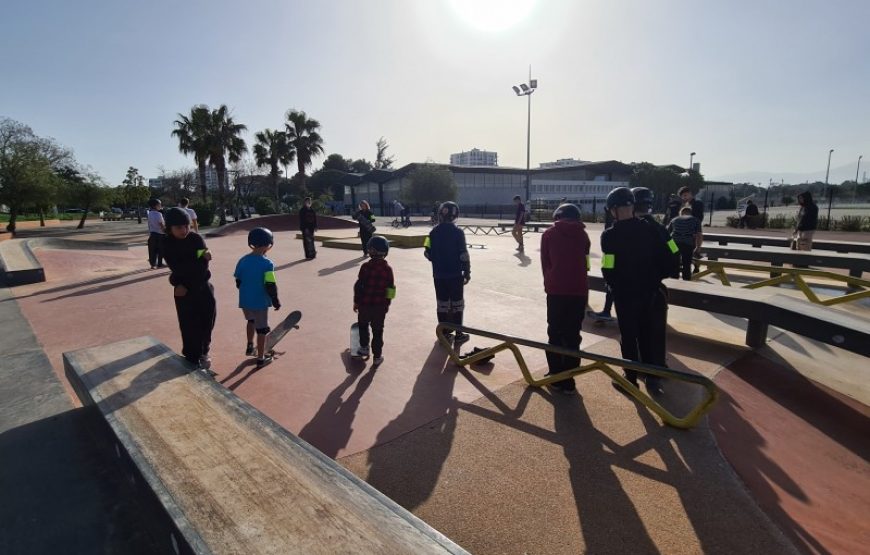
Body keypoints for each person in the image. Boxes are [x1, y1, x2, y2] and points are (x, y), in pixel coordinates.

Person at [601, 187, 674, 395]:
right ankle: (652, 379)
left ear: (614, 210)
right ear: (632, 206)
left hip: (624, 294)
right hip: (650, 291)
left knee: (629, 335)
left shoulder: (609, 236)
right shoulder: (652, 229)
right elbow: (670, 253)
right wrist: (657, 277)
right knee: (647, 335)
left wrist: (613, 285)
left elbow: (608, 266)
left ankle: (630, 378)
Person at [541, 203, 591, 394]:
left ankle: (555, 375)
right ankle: (569, 380)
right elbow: (586, 263)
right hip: (578, 290)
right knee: (573, 334)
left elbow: (546, 263)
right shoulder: (584, 235)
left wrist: (549, 282)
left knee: (555, 332)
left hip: (556, 290)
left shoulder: (549, 234)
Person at [161, 207, 216, 374]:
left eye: (186, 226)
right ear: (169, 228)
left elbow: (203, 265)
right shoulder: (166, 243)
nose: (184, 230)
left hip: (201, 286)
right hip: (184, 291)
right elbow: (178, 267)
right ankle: (192, 357)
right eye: (179, 227)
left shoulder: (196, 238)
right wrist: (176, 280)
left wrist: (177, 279)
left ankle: (204, 352)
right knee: (189, 325)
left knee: (207, 321)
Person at [424, 201, 471, 345]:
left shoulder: (432, 232)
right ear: (455, 215)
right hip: (455, 275)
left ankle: (443, 333)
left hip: (438, 275)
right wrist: (467, 271)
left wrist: (438, 259)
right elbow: (463, 254)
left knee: (442, 304)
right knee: (457, 304)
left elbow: (427, 252)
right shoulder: (458, 232)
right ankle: (459, 334)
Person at [234, 227, 282, 368]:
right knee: (262, 330)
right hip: (260, 302)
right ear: (268, 245)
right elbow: (270, 285)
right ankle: (261, 358)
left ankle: (250, 345)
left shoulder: (243, 260)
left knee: (250, 321)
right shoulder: (267, 264)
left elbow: (238, 281)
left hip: (245, 301)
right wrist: (275, 300)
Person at [352, 236, 396, 365]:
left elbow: (358, 286)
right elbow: (391, 289)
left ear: (370, 251)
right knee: (378, 331)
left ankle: (364, 347)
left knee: (363, 326)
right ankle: (377, 357)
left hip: (364, 305)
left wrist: (356, 301)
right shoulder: (388, 269)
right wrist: (387, 304)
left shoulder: (365, 267)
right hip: (379, 307)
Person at [588, 202, 615, 322]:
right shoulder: (659, 229)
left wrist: (608, 276)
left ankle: (607, 310)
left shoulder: (612, 233)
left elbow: (609, 257)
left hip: (619, 275)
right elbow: (673, 249)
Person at [668, 206, 703, 281]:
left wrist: (668, 247)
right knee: (686, 264)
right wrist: (698, 247)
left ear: (680, 213)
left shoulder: (674, 219)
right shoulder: (696, 220)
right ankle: (686, 283)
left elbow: (667, 234)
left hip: (673, 243)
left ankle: (673, 282)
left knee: (674, 263)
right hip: (688, 243)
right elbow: (699, 235)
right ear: (690, 213)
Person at [146, 198, 166, 269]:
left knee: (152, 250)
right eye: (159, 204)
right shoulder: (159, 214)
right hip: (160, 234)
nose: (160, 206)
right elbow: (161, 224)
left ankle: (152, 264)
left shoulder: (149, 213)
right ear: (155, 206)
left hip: (152, 233)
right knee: (161, 249)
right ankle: (160, 264)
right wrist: (165, 231)